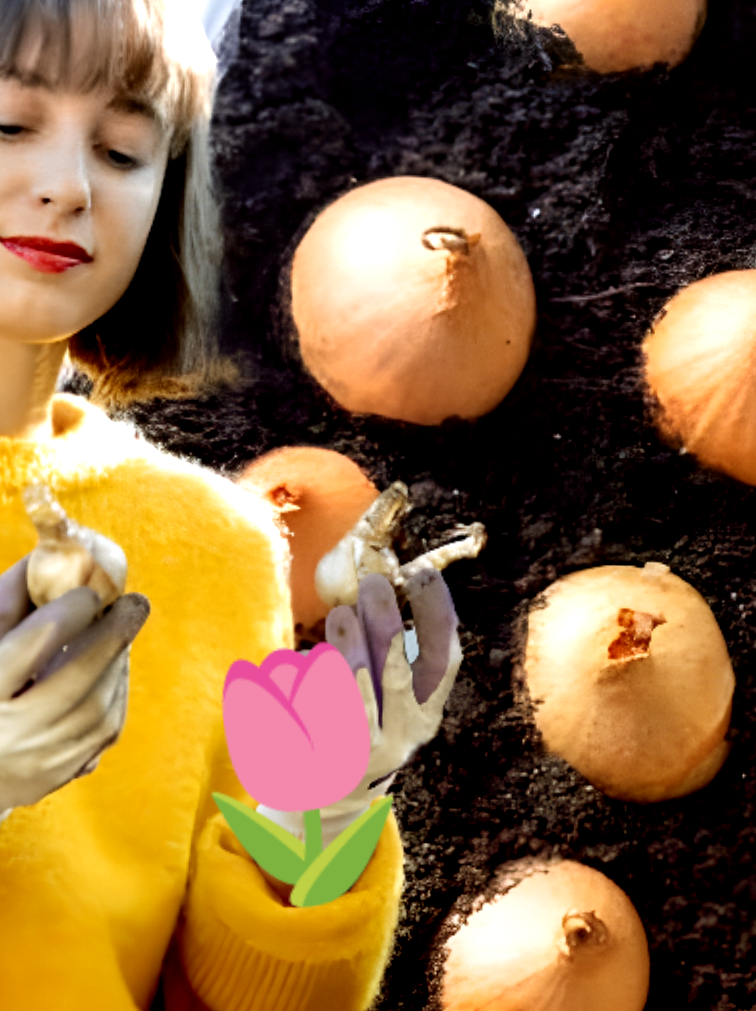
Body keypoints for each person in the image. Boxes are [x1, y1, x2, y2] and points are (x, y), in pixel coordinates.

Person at [0, 1, 461, 1007]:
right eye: (10, 125)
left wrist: (324, 822)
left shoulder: (217, 551)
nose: (71, 188)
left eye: (124, 150)